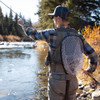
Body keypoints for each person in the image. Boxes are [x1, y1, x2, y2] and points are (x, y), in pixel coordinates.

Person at [18, 5, 98, 100]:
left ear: (58, 18)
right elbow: (93, 55)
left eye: (54, 17)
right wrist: (90, 70)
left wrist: (23, 25)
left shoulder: (52, 33)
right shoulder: (78, 35)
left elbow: (34, 34)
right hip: (72, 80)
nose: (53, 20)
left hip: (57, 81)